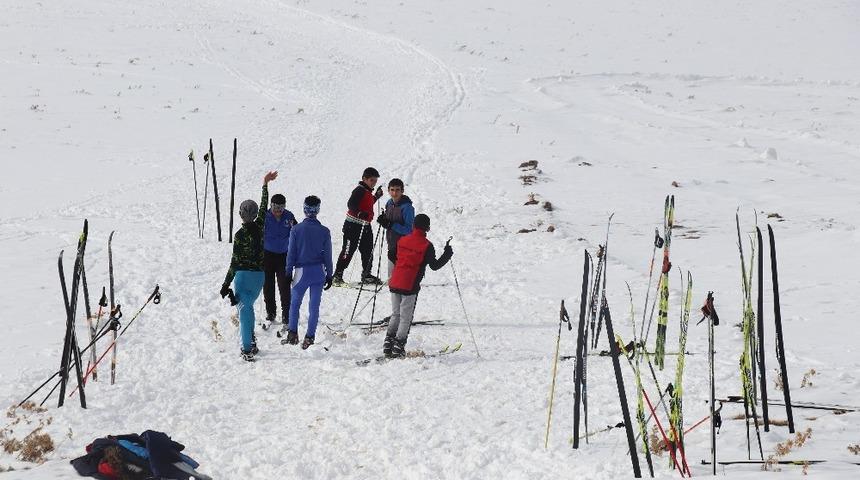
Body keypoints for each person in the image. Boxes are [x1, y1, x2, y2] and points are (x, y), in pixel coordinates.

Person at [221, 171, 277, 361]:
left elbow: (235, 262)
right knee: (249, 307)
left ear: (240, 215)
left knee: (244, 311)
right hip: (259, 276)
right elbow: (263, 207)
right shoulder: (260, 225)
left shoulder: (239, 235)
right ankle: (251, 340)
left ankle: (246, 348)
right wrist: (264, 184)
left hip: (243, 276)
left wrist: (225, 283)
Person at [384, 214, 453, 358]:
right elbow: (434, 265)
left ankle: (388, 343)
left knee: (396, 314)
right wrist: (447, 254)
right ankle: (399, 346)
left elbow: (391, 254)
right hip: (410, 285)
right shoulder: (427, 245)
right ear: (427, 228)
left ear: (413, 226)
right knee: (405, 317)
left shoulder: (403, 239)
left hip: (395, 280)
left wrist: (401, 263)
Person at [283, 195, 334, 349]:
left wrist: (287, 272)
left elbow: (291, 253)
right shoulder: (324, 231)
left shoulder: (296, 229)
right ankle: (310, 337)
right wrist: (329, 274)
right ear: (318, 210)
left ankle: (292, 334)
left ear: (304, 209)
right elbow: (328, 255)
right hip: (318, 271)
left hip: (301, 271)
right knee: (314, 306)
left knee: (295, 304)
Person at [332, 167, 384, 286]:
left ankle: (366, 275)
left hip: (365, 226)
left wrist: (376, 196)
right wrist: (360, 213)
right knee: (348, 250)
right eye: (371, 180)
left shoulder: (367, 192)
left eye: (375, 181)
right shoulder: (359, 190)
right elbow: (351, 204)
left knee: (367, 250)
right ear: (364, 179)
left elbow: (367, 203)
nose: (374, 183)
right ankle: (337, 275)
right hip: (353, 226)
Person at [263, 193, 297, 324]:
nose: (278, 211)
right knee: (268, 286)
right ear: (271, 206)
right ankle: (271, 312)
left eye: (281, 208)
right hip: (267, 255)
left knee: (284, 286)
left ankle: (286, 314)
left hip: (283, 256)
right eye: (275, 208)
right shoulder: (265, 217)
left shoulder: (289, 216)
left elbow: (296, 232)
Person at [376, 178, 415, 278]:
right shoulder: (389, 203)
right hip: (392, 243)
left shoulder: (407, 207)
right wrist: (383, 219)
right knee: (391, 278)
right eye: (392, 190)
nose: (394, 193)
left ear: (402, 191)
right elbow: (388, 220)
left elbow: (409, 230)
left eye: (397, 190)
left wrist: (391, 224)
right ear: (388, 190)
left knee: (401, 279)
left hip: (404, 246)